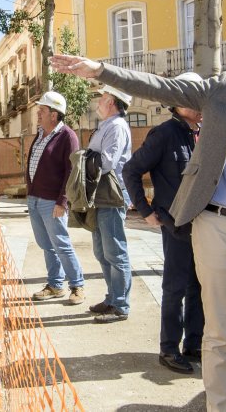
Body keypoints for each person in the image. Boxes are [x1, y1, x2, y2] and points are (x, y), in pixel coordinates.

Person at [52, 11, 226, 412]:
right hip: (218, 227)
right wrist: (100, 70)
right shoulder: (225, 94)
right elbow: (160, 86)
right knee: (218, 334)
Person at [124, 72, 205, 373]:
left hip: (203, 226)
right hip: (177, 227)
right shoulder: (164, 134)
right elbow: (131, 170)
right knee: (175, 288)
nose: (200, 106)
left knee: (200, 286)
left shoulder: (202, 133)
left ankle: (194, 344)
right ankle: (169, 348)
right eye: (194, 99)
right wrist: (145, 212)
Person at [25, 90, 87, 306]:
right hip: (34, 199)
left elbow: (71, 173)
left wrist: (63, 202)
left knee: (61, 244)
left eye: (42, 110)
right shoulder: (40, 134)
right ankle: (54, 285)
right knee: (46, 244)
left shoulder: (67, 136)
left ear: (54, 114)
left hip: (52, 201)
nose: (38, 114)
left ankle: (77, 285)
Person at [86, 85, 134, 324]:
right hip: (102, 195)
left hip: (112, 195)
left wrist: (82, 159)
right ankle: (113, 297)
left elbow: (106, 163)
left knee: (115, 251)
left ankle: (121, 305)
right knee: (102, 251)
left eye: (103, 98)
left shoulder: (116, 127)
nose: (98, 102)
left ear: (113, 102)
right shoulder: (108, 126)